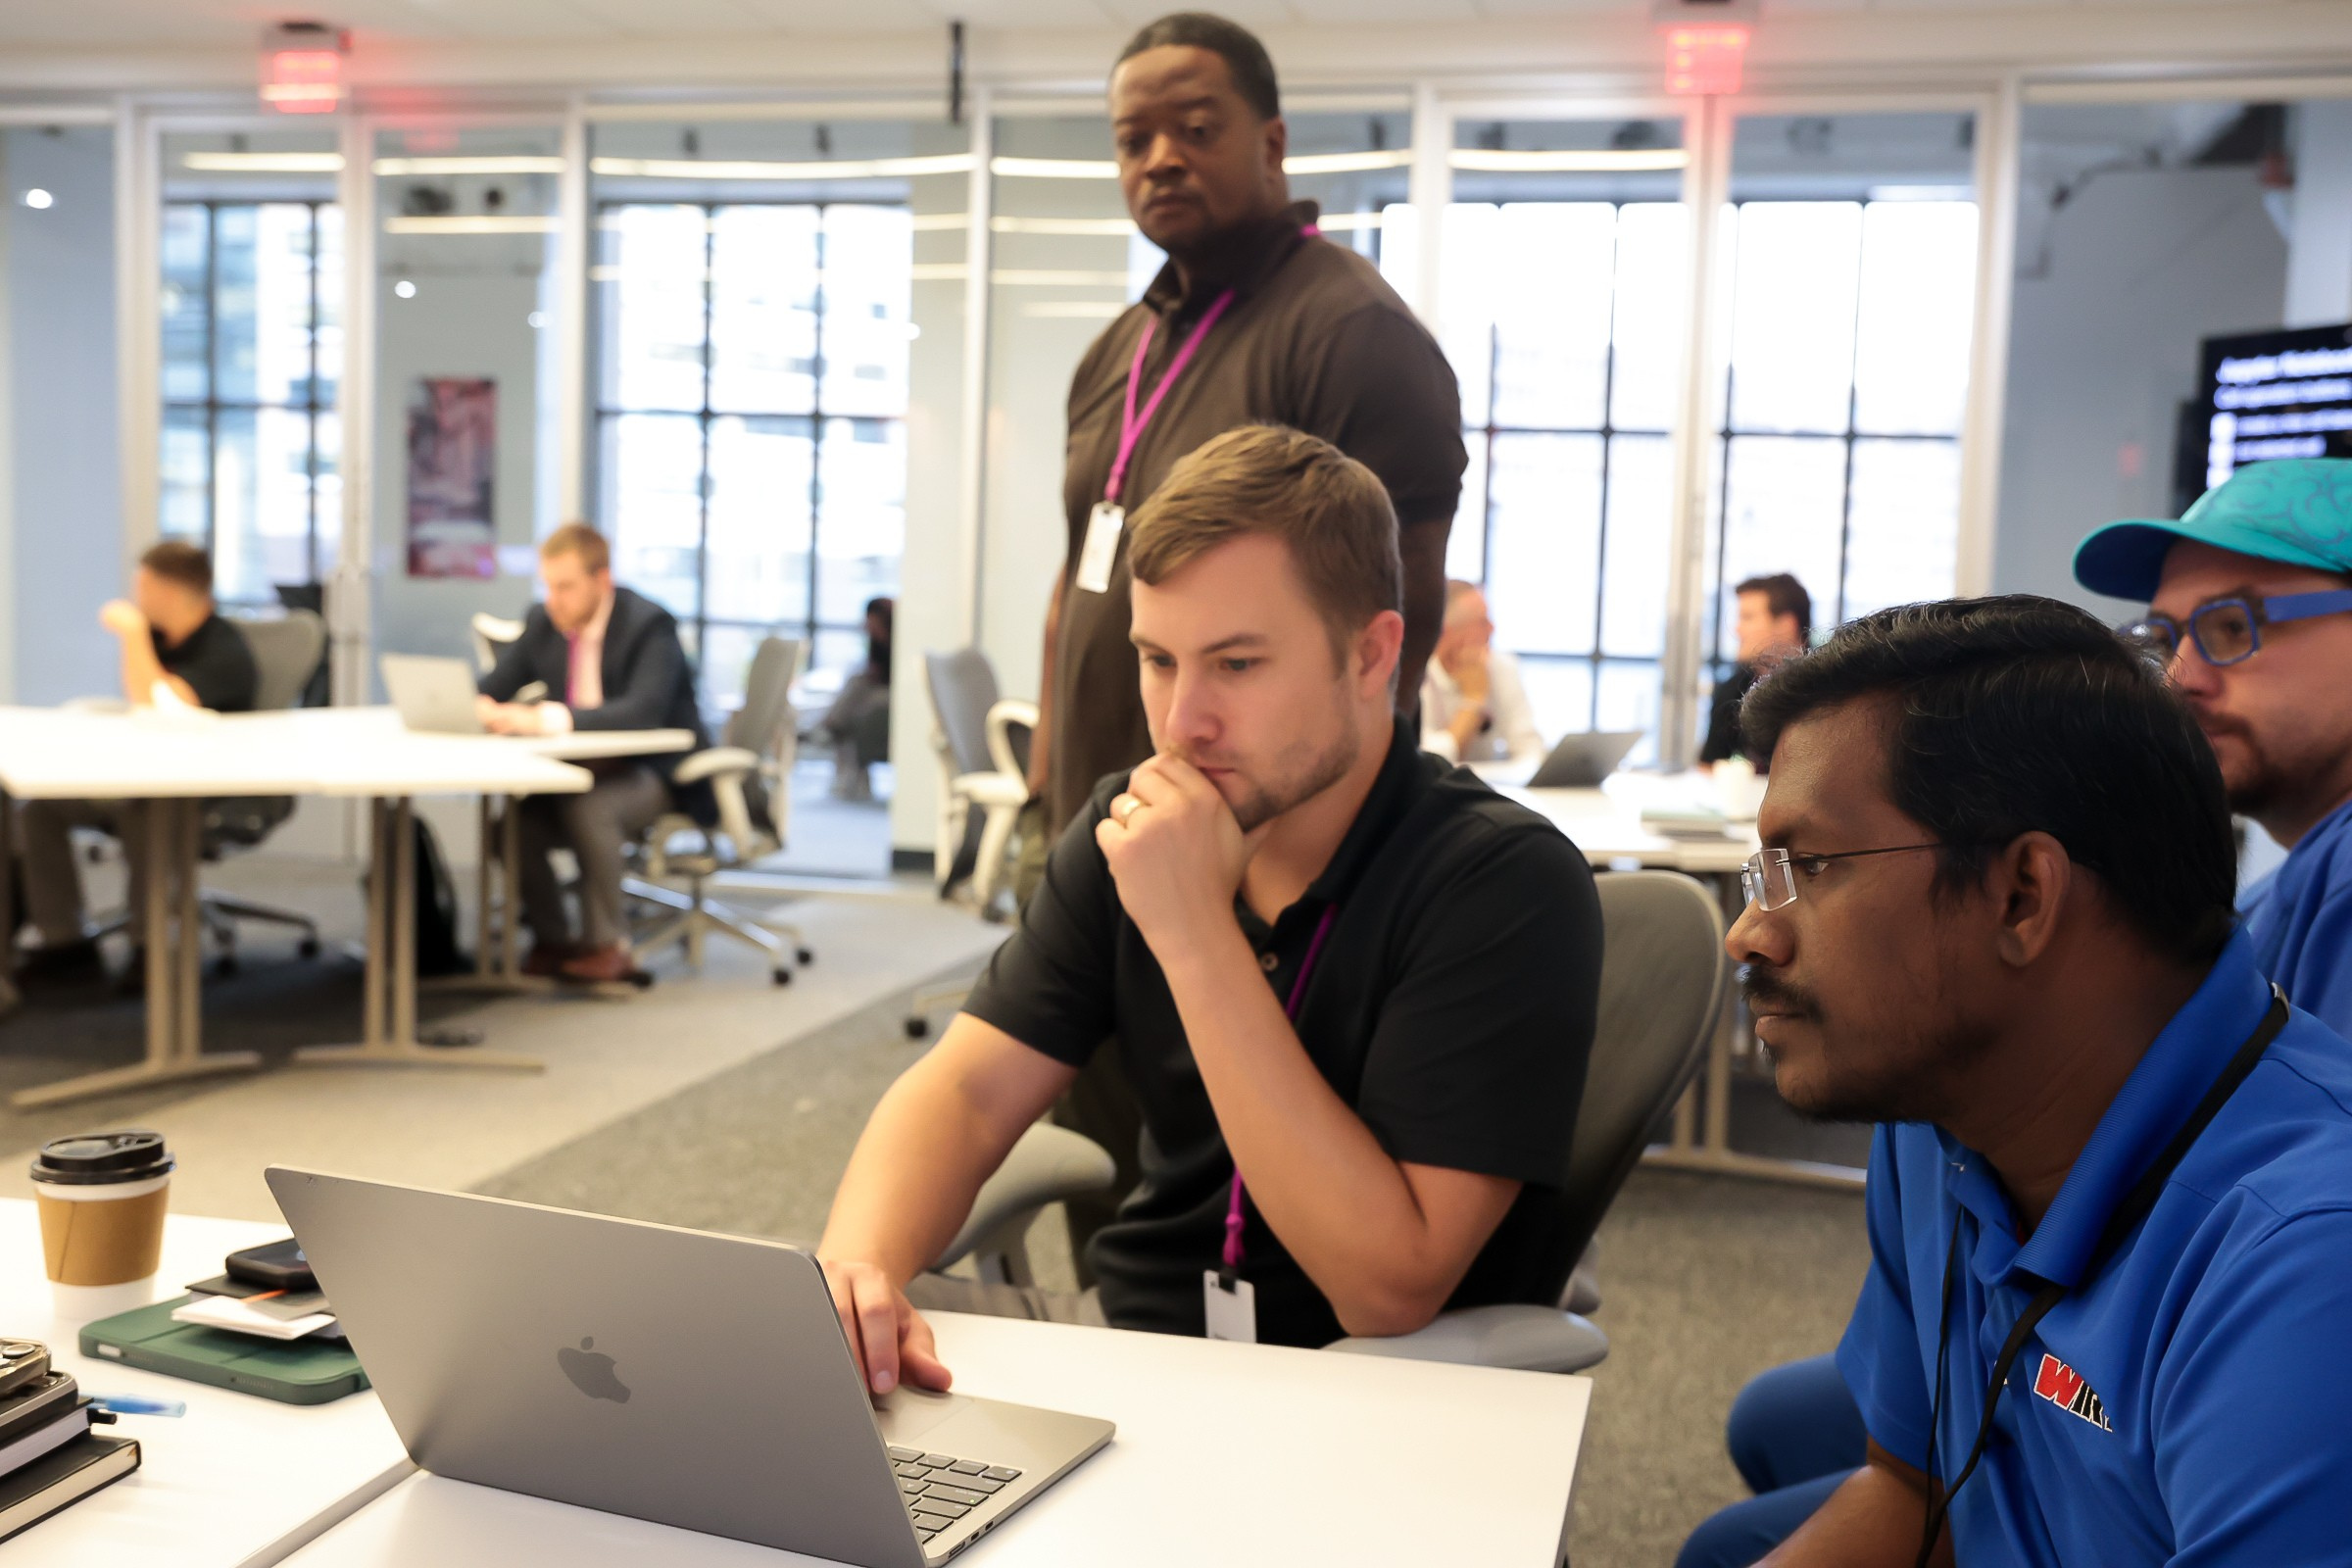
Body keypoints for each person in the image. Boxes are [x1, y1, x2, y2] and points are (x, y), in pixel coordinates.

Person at [816, 425, 1599, 1391]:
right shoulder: (1130, 825)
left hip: (1373, 1402)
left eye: (1235, 664)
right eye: (1157, 659)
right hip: (1136, 1350)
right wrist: (858, 1277)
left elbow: (1387, 1288)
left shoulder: (1502, 885)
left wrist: (1194, 930)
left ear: (1371, 655)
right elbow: (969, 1093)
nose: (1183, 720)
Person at [1682, 458, 2352, 1567]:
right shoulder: (1940, 1107)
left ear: (2022, 895)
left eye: (1815, 865)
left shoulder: (2300, 1274)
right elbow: (1917, 1491)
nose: (1749, 933)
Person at [1023, 9, 1468, 1278]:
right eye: (1131, 139)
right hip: (1108, 821)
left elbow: (1400, 617)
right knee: (1112, 1175)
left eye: (1194, 128)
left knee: (1263, 1194)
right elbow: (1082, 571)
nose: (1159, 156)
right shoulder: (1125, 346)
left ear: (1271, 142)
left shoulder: (1351, 333)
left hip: (1269, 860)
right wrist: (1049, 778)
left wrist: (1267, 853)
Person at [14, 539, 259, 984]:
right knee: (40, 810)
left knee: (145, 813)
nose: (135, 596)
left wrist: (131, 633)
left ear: (168, 591)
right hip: (146, 774)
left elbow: (156, 702)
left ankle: (153, 949)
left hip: (207, 792)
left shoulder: (226, 651)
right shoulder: (165, 641)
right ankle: (64, 941)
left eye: (142, 586)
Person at [476, 522, 708, 983]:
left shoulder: (649, 624)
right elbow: (494, 688)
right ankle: (554, 940)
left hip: (655, 774)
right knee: (513, 827)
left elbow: (643, 711)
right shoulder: (544, 622)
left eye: (565, 586)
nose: (554, 599)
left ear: (602, 581)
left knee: (591, 808)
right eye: (548, 585)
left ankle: (609, 945)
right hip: (579, 768)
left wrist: (545, 718)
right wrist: (476, 705)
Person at [1419, 579, 1542, 765]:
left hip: (1494, 786)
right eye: (1481, 622)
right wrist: (1473, 700)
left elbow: (1530, 748)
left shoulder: (1502, 667)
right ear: (1446, 633)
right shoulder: (1418, 676)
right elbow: (1429, 760)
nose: (1492, 629)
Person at [1699, 573, 1811, 769]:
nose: (1737, 629)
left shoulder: (1828, 694)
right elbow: (1708, 768)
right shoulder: (1731, 691)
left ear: (1786, 625)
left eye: (1748, 618)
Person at [821, 597, 893, 803]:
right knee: (856, 683)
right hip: (876, 689)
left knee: (861, 702)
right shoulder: (876, 644)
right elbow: (875, 673)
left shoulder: (898, 642)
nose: (868, 625)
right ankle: (832, 722)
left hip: (891, 695)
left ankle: (826, 725)